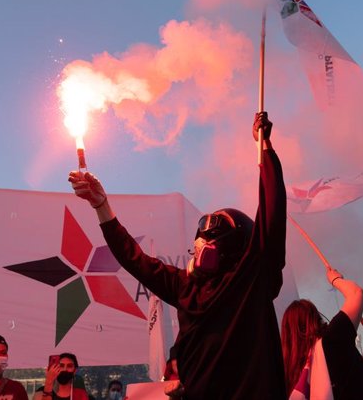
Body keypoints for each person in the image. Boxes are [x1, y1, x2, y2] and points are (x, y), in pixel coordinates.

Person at [69, 112, 287, 400]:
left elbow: (271, 215)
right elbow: (133, 258)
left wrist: (265, 149)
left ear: (228, 249)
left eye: (206, 239)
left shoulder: (251, 280)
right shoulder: (185, 287)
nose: (196, 245)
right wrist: (101, 206)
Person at [281, 268, 363, 400]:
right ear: (314, 318)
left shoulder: (287, 373)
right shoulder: (330, 341)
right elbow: (356, 293)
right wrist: (335, 279)